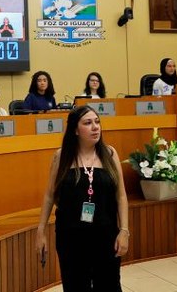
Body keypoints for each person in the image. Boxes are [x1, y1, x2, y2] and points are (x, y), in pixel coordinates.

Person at [35, 105, 129, 292]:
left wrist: (124, 230)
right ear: (75, 130)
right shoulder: (61, 156)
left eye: (97, 122)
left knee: (109, 285)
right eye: (88, 123)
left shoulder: (109, 153)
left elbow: (121, 195)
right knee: (76, 286)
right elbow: (49, 196)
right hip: (71, 236)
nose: (95, 127)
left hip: (105, 234)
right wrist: (41, 231)